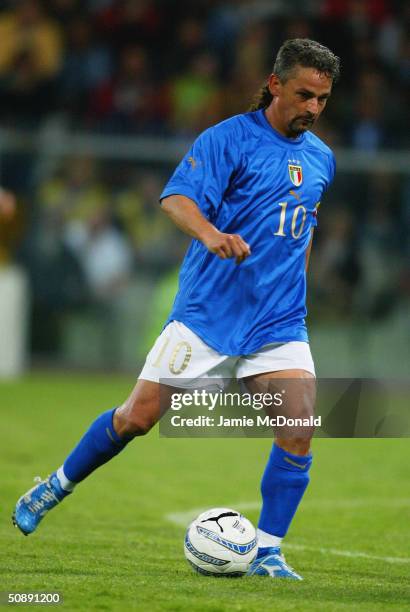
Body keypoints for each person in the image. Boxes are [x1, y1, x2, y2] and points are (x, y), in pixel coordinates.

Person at [13, 39, 340, 581]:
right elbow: (176, 198)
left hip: (278, 322)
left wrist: (295, 288)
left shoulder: (322, 158)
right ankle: (54, 485)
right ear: (276, 84)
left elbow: (303, 227)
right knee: (136, 419)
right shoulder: (228, 139)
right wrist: (211, 234)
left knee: (299, 428)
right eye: (304, 94)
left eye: (323, 99)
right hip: (209, 314)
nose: (312, 108)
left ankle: (268, 551)